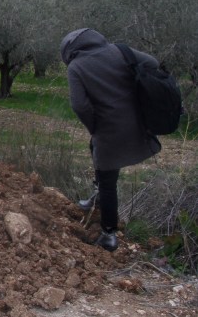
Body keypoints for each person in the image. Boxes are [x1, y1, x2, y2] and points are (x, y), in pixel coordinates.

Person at [60, 28, 162, 251]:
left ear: (69, 51)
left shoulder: (77, 67)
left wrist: (93, 125)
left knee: (108, 182)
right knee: (95, 153)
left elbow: (79, 105)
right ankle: (96, 195)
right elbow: (152, 63)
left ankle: (108, 235)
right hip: (136, 124)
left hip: (107, 128)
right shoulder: (118, 51)